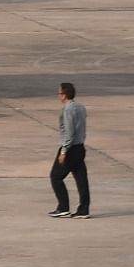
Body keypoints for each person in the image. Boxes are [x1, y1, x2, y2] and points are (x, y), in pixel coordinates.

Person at [48, 82, 91, 218]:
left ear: (64, 94)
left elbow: (69, 132)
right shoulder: (81, 107)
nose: (58, 96)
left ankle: (63, 207)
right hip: (80, 147)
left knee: (56, 176)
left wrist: (63, 151)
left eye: (59, 93)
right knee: (81, 178)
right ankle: (83, 209)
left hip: (71, 148)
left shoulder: (67, 110)